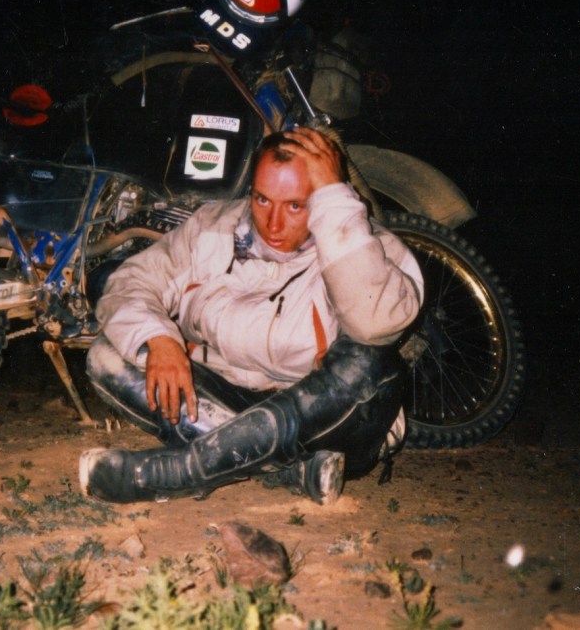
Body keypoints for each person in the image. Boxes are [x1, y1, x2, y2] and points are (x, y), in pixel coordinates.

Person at [79, 127, 424, 505]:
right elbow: (130, 281)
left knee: (369, 360)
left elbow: (374, 324)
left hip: (325, 424)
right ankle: (286, 471)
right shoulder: (212, 228)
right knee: (108, 354)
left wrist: (335, 207)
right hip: (229, 403)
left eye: (295, 206)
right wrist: (158, 337)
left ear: (326, 196)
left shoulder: (369, 247)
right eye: (262, 199)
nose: (273, 224)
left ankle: (180, 472)